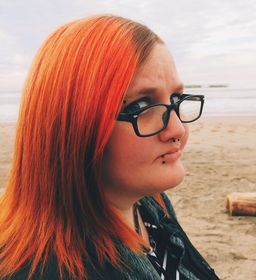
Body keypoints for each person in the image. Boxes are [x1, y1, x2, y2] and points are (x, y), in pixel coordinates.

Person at [0, 15, 220, 280]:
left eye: (175, 98)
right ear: (73, 127)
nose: (177, 129)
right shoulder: (46, 271)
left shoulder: (151, 206)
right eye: (140, 106)